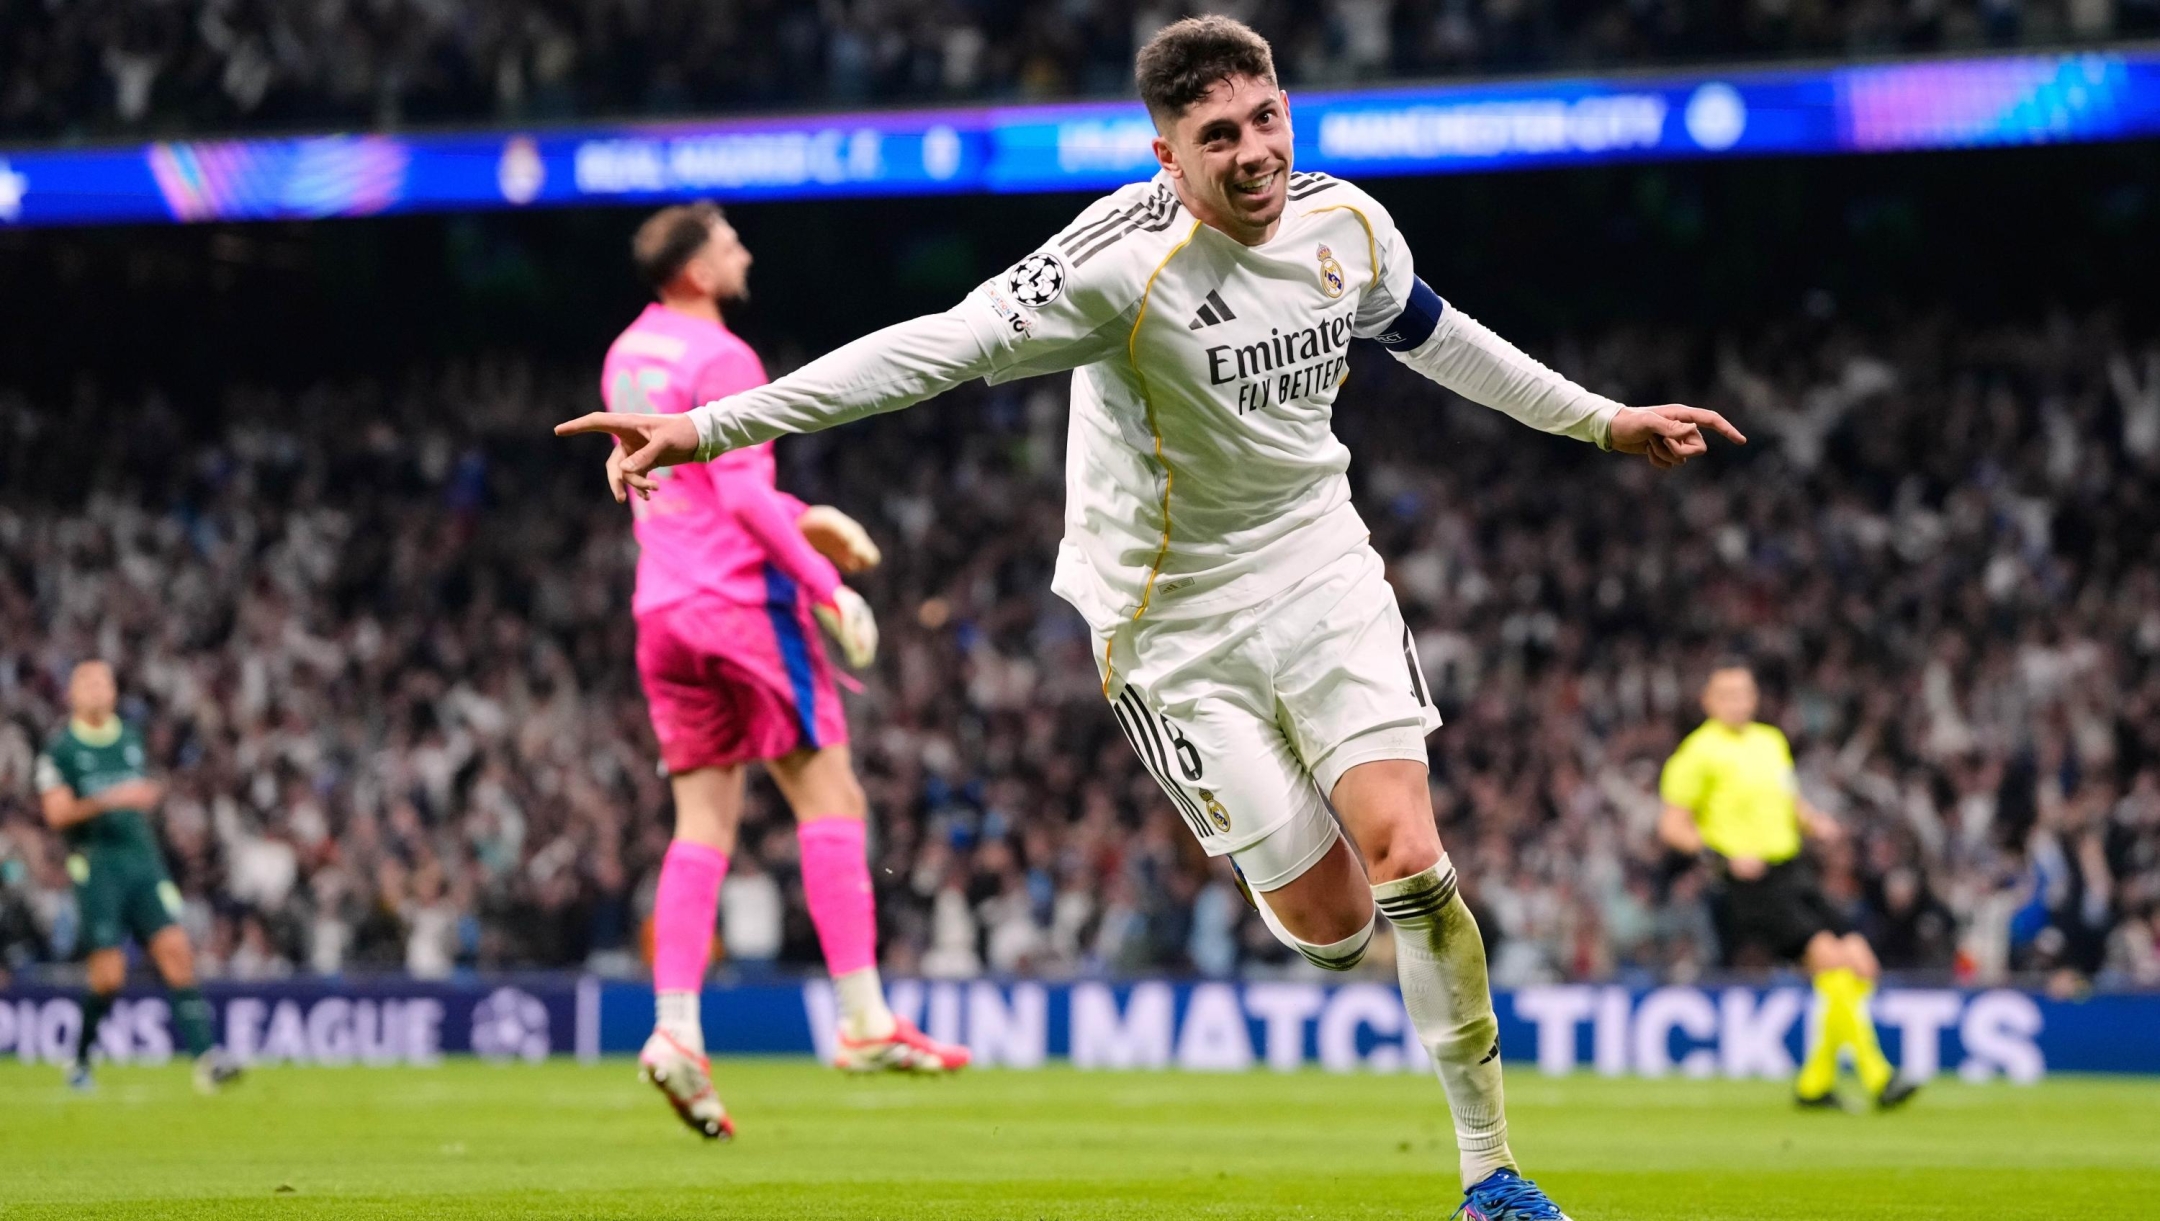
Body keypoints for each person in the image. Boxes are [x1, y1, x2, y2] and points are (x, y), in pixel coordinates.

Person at [560, 18, 1741, 1214]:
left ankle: (1490, 1173)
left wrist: (1601, 419)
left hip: (1322, 569)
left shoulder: (1349, 225)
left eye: (1267, 119)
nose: (1253, 153)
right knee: (1333, 929)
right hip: (1169, 625)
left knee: (1415, 864)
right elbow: (938, 348)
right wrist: (712, 427)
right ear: (1166, 155)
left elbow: (1441, 338)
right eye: (1217, 136)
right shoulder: (1117, 263)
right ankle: (1316, 896)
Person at [602, 203, 969, 1142]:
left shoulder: (627, 354)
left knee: (702, 825)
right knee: (831, 798)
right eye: (728, 245)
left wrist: (807, 513)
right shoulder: (724, 358)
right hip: (742, 610)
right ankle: (862, 1019)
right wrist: (822, 585)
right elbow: (739, 493)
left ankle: (676, 1029)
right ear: (691, 270)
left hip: (663, 612)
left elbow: (686, 492)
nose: (745, 253)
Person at [1658, 662, 1919, 1110]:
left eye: (1744, 693)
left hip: (1794, 868)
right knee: (1833, 959)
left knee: (1859, 962)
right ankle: (1879, 1076)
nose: (1737, 702)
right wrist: (1720, 857)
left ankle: (1816, 1083)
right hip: (1751, 882)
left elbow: (1788, 799)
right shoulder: (1695, 754)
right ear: (1708, 701)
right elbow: (1672, 825)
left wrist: (1814, 821)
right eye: (1727, 694)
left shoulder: (1770, 742)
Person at [34, 660, 241, 1093]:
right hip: (97, 864)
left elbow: (144, 797)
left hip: (142, 861)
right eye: (88, 682)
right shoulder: (61, 750)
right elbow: (56, 814)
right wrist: (113, 798)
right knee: (109, 975)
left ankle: (208, 1059)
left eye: (105, 681)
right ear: (72, 693)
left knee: (177, 951)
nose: (98, 689)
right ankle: (80, 1059)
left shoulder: (130, 738)